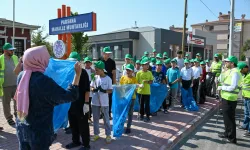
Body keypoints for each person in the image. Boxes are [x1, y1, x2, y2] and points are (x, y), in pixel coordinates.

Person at [15, 46, 82, 150]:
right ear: (38, 59)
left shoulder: (21, 76)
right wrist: (77, 75)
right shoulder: (42, 81)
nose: (47, 61)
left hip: (22, 126)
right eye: (45, 58)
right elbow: (70, 95)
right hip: (38, 132)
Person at [66, 53, 91, 150]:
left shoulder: (83, 73)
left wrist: (86, 103)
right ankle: (75, 141)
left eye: (74, 61)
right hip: (71, 104)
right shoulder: (69, 72)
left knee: (83, 124)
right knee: (73, 123)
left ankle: (86, 144)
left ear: (78, 62)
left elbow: (87, 90)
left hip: (81, 103)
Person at [217, 56, 242, 144]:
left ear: (232, 63)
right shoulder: (229, 71)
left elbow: (233, 87)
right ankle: (227, 133)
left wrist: (221, 87)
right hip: (225, 97)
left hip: (230, 98)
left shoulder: (235, 72)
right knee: (226, 118)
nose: (225, 63)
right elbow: (220, 79)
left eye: (227, 62)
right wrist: (222, 72)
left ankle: (232, 138)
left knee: (230, 119)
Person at [90, 61, 113, 144]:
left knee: (106, 119)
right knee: (95, 119)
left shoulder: (108, 79)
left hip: (104, 103)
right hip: (95, 102)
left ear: (102, 70)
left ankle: (108, 135)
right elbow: (91, 87)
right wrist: (94, 89)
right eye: (95, 70)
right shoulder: (95, 77)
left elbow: (110, 90)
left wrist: (104, 90)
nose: (95, 72)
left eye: (97, 70)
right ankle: (96, 134)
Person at [0, 43, 19, 125]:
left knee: (17, 102)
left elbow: (18, 69)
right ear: (5, 50)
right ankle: (9, 118)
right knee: (6, 103)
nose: (12, 51)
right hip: (5, 85)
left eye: (13, 50)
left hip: (16, 84)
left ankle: (17, 115)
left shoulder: (15, 57)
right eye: (11, 50)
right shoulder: (0, 58)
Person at [120, 64, 138, 134]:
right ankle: (121, 126)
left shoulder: (134, 79)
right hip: (124, 98)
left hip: (132, 98)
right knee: (123, 113)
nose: (128, 71)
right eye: (127, 70)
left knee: (130, 113)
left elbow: (136, 87)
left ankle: (128, 127)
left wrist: (138, 86)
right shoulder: (123, 78)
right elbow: (120, 87)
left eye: (129, 70)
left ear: (132, 71)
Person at [99, 47, 116, 119]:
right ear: (103, 53)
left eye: (109, 53)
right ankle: (101, 113)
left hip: (109, 82)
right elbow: (97, 71)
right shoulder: (99, 61)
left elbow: (114, 73)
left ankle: (108, 113)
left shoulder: (112, 62)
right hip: (101, 81)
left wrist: (114, 83)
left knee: (109, 99)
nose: (108, 55)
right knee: (100, 97)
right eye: (107, 53)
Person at [136, 58, 153, 122]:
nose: (147, 65)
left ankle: (148, 116)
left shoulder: (149, 73)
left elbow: (151, 81)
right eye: (146, 64)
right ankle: (141, 115)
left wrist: (147, 82)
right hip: (140, 91)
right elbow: (136, 82)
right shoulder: (138, 73)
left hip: (147, 91)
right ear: (142, 65)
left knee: (147, 104)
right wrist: (139, 85)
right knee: (141, 104)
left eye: (148, 64)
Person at [237, 62, 250, 137]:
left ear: (245, 68)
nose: (240, 71)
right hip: (245, 97)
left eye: (241, 70)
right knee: (246, 113)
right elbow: (242, 85)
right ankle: (245, 126)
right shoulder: (244, 76)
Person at [84, 56, 95, 122]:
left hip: (90, 89)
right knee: (85, 103)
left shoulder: (93, 71)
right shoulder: (82, 71)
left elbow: (94, 80)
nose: (87, 64)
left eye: (89, 62)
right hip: (84, 89)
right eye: (86, 62)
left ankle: (89, 116)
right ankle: (86, 116)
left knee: (90, 104)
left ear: (91, 63)